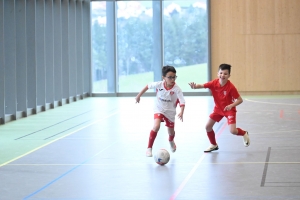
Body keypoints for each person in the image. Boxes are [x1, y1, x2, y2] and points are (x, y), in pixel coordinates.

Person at [188, 63, 250, 152]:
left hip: (229, 110)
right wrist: (195, 87)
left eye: (225, 74)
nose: (222, 75)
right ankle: (213, 144)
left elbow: (240, 100)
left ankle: (244, 133)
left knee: (233, 131)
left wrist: (231, 105)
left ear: (229, 75)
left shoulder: (231, 87)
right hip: (218, 109)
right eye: (221, 73)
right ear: (218, 74)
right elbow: (202, 85)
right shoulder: (214, 83)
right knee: (208, 127)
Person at [135, 65, 186, 157]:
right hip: (159, 108)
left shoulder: (177, 89)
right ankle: (149, 148)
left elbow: (182, 101)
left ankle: (171, 140)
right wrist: (139, 95)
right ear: (164, 78)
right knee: (156, 126)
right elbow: (147, 86)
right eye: (170, 77)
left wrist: (181, 111)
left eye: (174, 77)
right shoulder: (159, 84)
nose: (172, 79)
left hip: (170, 112)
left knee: (171, 132)